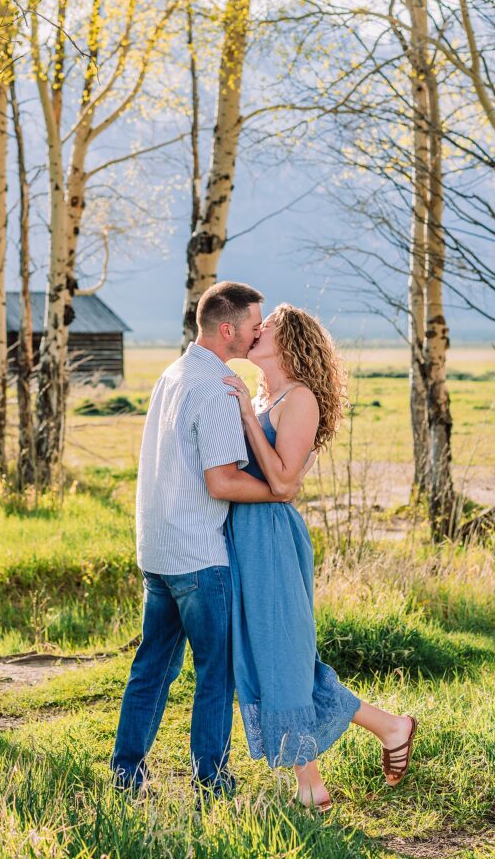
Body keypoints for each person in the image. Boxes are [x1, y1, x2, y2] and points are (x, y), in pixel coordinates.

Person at [110, 282, 313, 799]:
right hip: (199, 554)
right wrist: (279, 491)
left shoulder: (174, 374)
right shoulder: (219, 385)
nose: (257, 332)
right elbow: (221, 481)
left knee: (152, 667)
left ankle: (126, 773)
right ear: (229, 329)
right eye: (253, 325)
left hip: (157, 550)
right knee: (216, 676)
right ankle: (213, 784)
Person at [223, 303, 417, 812]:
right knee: (278, 656)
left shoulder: (299, 398)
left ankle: (311, 787)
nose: (255, 330)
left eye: (267, 328)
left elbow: (283, 482)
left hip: (270, 537)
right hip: (246, 535)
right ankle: (390, 726)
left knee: (280, 655)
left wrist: (245, 413)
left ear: (290, 343)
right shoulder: (268, 395)